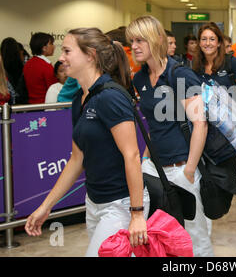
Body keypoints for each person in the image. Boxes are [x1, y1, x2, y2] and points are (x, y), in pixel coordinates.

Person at [25, 27, 149, 256]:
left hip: (120, 205)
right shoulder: (78, 100)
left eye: (67, 51)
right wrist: (46, 206)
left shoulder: (110, 97)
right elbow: (76, 159)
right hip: (94, 203)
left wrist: (137, 213)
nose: (60, 58)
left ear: (90, 55)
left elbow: (131, 155)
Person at [127, 15, 214, 257]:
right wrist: (146, 160)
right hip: (154, 168)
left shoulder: (180, 74)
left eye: (139, 40)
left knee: (195, 239)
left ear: (155, 40)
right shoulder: (140, 78)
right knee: (156, 235)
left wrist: (189, 171)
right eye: (131, 40)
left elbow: (200, 124)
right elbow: (154, 126)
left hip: (181, 167)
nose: (133, 46)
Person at [192, 22, 236, 239]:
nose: (208, 43)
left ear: (219, 42)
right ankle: (206, 228)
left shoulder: (231, 62)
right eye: (204, 39)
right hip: (205, 133)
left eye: (212, 39)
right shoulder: (194, 66)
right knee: (206, 180)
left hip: (231, 134)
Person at [23, 32, 58, 103]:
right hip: (44, 105)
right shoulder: (46, 66)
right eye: (51, 44)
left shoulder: (28, 64)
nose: (54, 46)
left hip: (30, 105)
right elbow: (53, 88)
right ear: (44, 48)